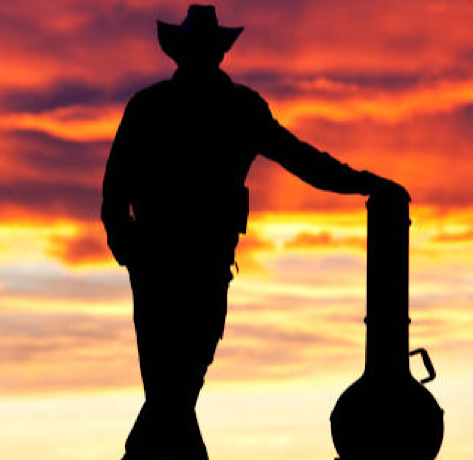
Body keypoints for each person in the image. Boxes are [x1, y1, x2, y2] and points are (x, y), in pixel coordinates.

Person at [101, 5, 406, 459]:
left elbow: (302, 159)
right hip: (162, 266)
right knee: (174, 390)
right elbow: (115, 191)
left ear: (216, 54)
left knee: (174, 389)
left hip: (196, 266)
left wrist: (361, 181)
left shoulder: (235, 108)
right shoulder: (156, 107)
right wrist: (128, 248)